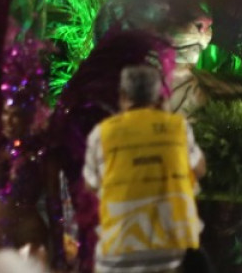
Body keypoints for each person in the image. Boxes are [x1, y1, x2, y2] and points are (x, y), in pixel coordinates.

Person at [83, 62, 206, 272]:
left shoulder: (101, 133)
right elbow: (200, 170)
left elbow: (91, 185)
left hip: (117, 256)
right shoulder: (178, 127)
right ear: (158, 97)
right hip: (169, 255)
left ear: (122, 96)